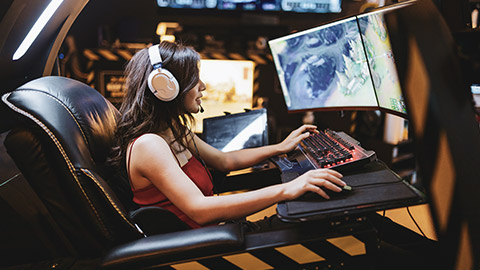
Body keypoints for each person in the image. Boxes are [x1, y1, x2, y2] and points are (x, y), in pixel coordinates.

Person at [108, 41, 346, 231]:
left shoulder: (173, 130)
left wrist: (280, 147)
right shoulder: (149, 145)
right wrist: (288, 189)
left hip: (217, 232)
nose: (202, 86)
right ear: (166, 87)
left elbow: (225, 161)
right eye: (194, 79)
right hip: (205, 244)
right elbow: (199, 209)